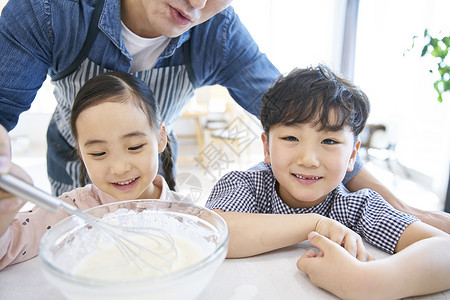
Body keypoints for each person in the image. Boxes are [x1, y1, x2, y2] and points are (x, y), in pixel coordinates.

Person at [0, 0, 448, 234]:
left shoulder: (220, 31)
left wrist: (404, 209)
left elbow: (305, 121)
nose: (197, 2)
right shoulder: (51, 10)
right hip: (74, 169)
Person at [205, 65, 450, 299]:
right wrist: (315, 224)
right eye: (291, 137)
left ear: (352, 154)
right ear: (267, 148)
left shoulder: (357, 206)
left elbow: (444, 248)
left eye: (329, 141)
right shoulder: (246, 185)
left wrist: (367, 281)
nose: (309, 160)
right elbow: (212, 234)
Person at [0, 71, 190, 270]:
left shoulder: (185, 214)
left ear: (161, 138)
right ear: (81, 152)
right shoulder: (71, 211)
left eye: (134, 147)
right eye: (99, 153)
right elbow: (7, 248)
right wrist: (5, 209)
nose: (119, 168)